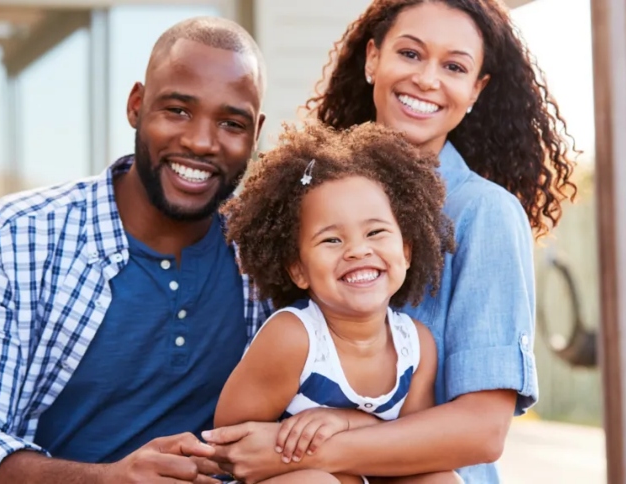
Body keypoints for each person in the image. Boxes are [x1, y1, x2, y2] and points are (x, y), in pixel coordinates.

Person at [203, 1, 577, 483]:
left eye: (454, 66)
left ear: (476, 89)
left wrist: (315, 448)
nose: (427, 79)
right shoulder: (311, 195)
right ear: (372, 58)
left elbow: (482, 431)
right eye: (410, 53)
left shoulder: (484, 214)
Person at [0, 16, 271, 484]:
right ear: (136, 105)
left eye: (231, 123)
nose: (201, 141)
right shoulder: (12, 239)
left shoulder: (268, 256)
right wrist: (106, 480)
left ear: (256, 132)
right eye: (178, 110)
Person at [215, 122, 459, 484]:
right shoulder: (294, 338)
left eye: (376, 232)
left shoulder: (415, 345)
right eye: (331, 240)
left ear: (406, 251)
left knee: (441, 480)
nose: (358, 250)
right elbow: (230, 446)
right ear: (299, 270)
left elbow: (412, 447)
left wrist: (348, 422)